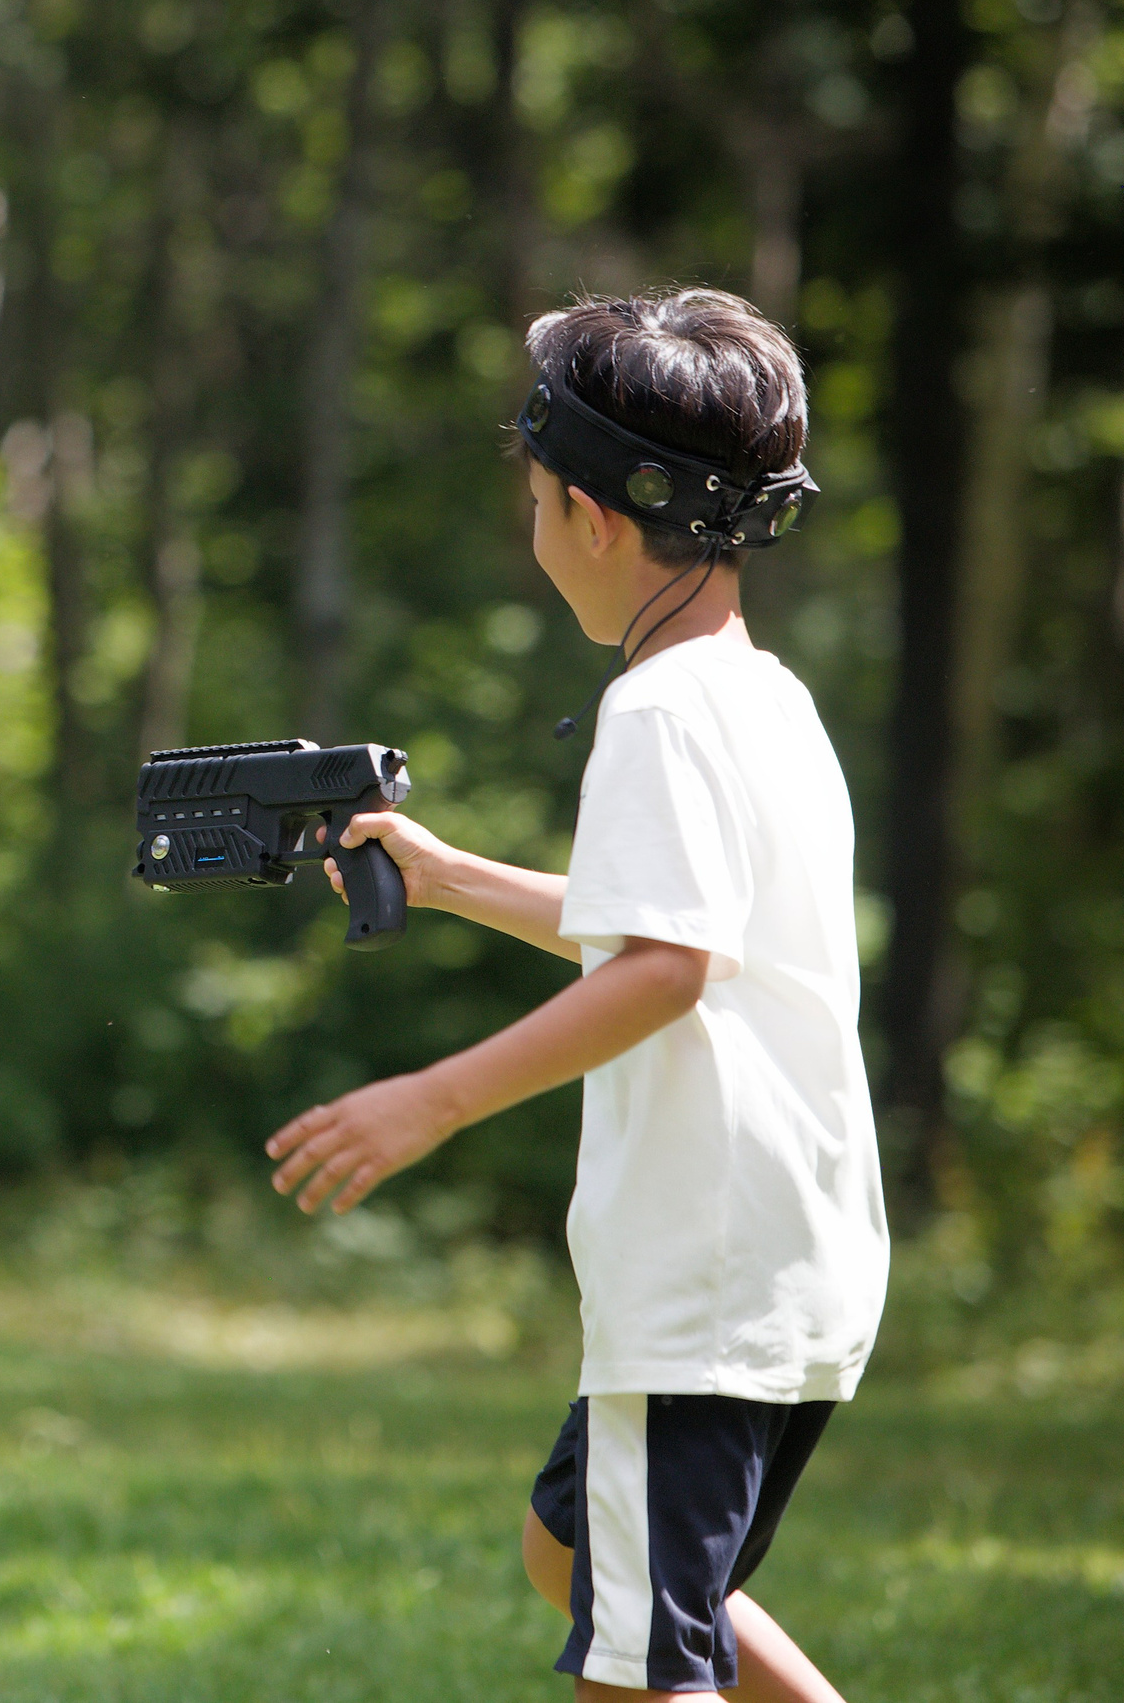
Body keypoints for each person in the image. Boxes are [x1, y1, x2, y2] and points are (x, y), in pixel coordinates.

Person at [264, 290, 886, 1702]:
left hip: (701, 1270)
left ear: (592, 519)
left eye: (535, 498)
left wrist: (436, 1097)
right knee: (577, 1553)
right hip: (793, 1259)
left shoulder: (657, 714)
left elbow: (665, 970)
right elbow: (685, 936)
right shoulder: (758, 696)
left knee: (641, 1667)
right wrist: (450, 877)